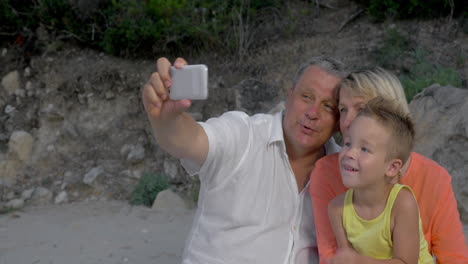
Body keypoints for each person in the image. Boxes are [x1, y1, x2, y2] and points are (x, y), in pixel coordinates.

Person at [142, 56, 347, 263]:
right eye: (306, 97)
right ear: (290, 95)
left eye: (328, 106)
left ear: (340, 120)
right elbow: (190, 140)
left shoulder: (347, 172)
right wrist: (167, 120)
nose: (313, 113)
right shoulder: (243, 136)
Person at [310, 67, 468, 264]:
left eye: (362, 109)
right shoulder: (327, 174)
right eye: (343, 110)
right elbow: (332, 256)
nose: (348, 122)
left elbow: (455, 258)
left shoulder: (433, 178)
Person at [328, 97, 433, 264]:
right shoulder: (337, 209)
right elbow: (346, 258)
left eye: (364, 149)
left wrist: (357, 261)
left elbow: (406, 262)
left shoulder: (402, 204)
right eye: (347, 143)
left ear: (391, 168)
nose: (349, 153)